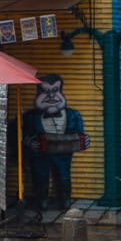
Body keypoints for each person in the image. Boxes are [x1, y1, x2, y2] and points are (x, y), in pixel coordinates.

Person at [22, 73, 89, 211]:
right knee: (40, 178)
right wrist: (29, 142)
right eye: (45, 91)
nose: (51, 96)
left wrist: (84, 140)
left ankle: (64, 201)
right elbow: (23, 133)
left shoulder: (73, 115)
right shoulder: (30, 116)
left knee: (64, 177)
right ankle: (42, 201)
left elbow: (80, 134)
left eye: (55, 90)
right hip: (40, 155)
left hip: (63, 153)